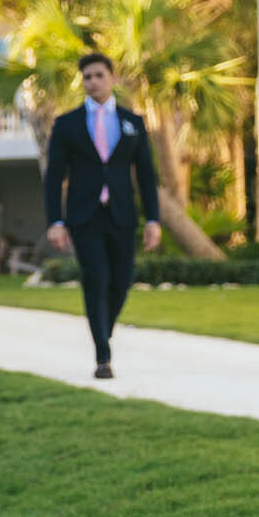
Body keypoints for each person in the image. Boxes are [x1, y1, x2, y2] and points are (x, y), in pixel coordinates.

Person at [42, 53, 162, 379]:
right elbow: (54, 176)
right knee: (96, 280)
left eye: (98, 75)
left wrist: (153, 219)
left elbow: (147, 176)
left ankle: (103, 330)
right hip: (84, 216)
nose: (92, 81)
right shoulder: (66, 124)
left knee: (121, 282)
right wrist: (56, 221)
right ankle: (102, 356)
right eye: (87, 77)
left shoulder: (132, 123)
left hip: (122, 215)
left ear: (112, 78)